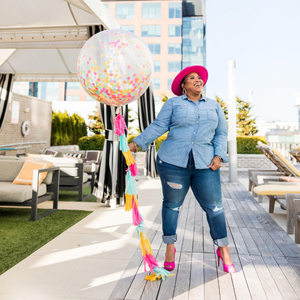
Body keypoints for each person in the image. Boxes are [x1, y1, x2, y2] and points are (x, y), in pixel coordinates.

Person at [128, 65, 235, 273]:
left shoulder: (214, 106)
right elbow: (159, 126)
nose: (198, 80)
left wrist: (219, 155)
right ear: (183, 85)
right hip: (172, 163)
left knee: (215, 208)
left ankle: (224, 250)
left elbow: (221, 133)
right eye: (192, 78)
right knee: (172, 206)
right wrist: (137, 143)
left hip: (206, 163)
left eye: (199, 78)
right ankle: (170, 248)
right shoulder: (174, 104)